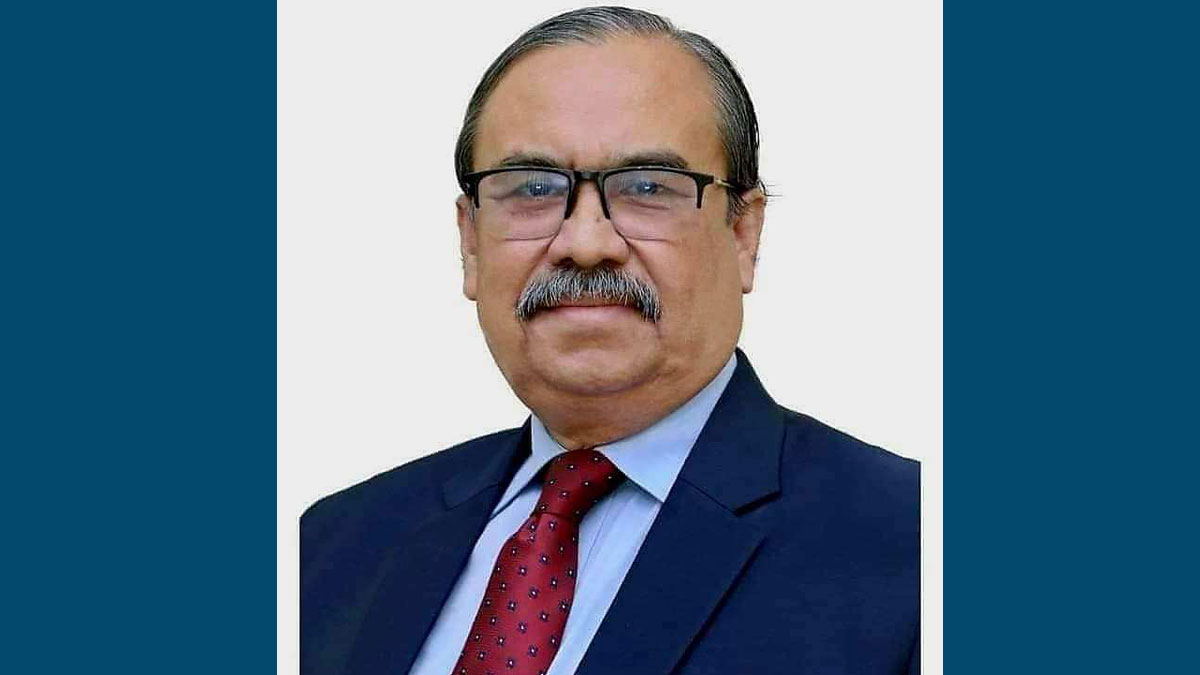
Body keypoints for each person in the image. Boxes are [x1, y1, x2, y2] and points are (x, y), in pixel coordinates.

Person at [301, 6, 919, 675]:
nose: (585, 242)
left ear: (744, 234)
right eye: (533, 188)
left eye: (648, 187)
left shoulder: (918, 550)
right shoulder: (333, 545)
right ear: (470, 243)